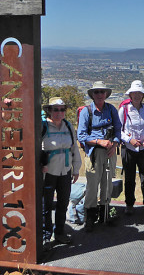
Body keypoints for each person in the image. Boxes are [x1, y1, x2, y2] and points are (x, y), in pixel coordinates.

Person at [77, 81, 121, 232]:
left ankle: (104, 213)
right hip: (94, 153)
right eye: (97, 92)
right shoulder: (86, 112)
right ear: (93, 95)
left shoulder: (111, 109)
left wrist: (114, 144)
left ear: (106, 94)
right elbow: (81, 135)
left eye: (102, 92)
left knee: (107, 183)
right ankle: (90, 215)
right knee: (92, 185)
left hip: (109, 152)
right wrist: (99, 142)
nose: (100, 94)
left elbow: (118, 130)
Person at [42, 97, 82, 250]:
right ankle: (46, 236)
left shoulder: (68, 126)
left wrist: (76, 169)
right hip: (48, 172)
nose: (59, 112)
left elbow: (74, 149)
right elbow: (36, 148)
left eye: (62, 109)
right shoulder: (43, 126)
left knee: (63, 203)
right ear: (49, 111)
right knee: (46, 205)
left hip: (65, 171)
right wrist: (40, 165)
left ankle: (59, 232)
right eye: (56, 109)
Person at [118, 80, 144, 215]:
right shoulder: (124, 110)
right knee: (129, 179)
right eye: (134, 93)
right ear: (130, 95)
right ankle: (129, 204)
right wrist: (129, 140)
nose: (137, 96)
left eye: (139, 93)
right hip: (129, 150)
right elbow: (118, 130)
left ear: (142, 95)